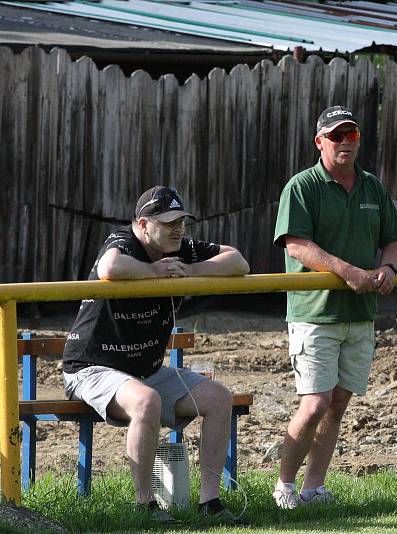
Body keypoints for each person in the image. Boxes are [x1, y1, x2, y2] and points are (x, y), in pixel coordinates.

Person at [62, 186, 250, 524]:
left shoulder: (181, 249)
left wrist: (191, 272)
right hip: (91, 367)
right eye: (168, 223)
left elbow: (239, 261)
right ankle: (144, 506)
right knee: (146, 401)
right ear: (143, 224)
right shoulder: (123, 241)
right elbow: (109, 268)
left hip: (144, 371)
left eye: (181, 221)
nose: (178, 230)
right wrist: (155, 273)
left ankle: (210, 504)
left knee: (219, 398)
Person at [272, 105, 397, 509]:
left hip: (360, 312)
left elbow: (394, 238)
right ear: (320, 142)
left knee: (339, 403)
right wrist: (345, 270)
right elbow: (295, 243)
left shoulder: (372, 187)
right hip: (315, 312)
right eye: (336, 136)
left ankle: (313, 488)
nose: (345, 142)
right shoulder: (301, 186)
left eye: (352, 135)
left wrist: (389, 266)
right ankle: (283, 488)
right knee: (314, 403)